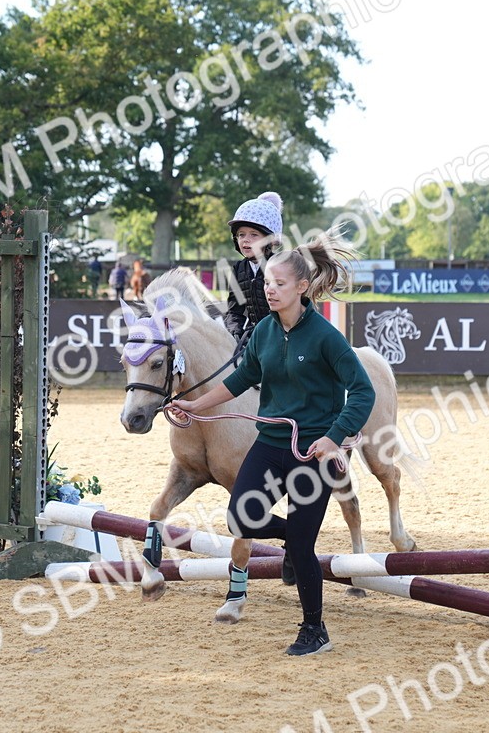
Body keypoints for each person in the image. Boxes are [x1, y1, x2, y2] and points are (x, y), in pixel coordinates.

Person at [168, 234, 375, 657]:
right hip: (271, 444)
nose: (270, 289)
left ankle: (315, 630)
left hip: (311, 455)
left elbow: (363, 391)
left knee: (302, 549)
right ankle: (291, 534)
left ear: (301, 286)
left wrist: (333, 438)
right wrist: (193, 405)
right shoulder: (264, 330)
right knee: (239, 519)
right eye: (266, 283)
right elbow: (240, 380)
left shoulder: (324, 336)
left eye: (279, 283)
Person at [223, 191, 284, 346]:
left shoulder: (282, 265)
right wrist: (235, 330)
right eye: (241, 235)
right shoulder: (238, 269)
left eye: (254, 234)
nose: (246, 240)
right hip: (254, 336)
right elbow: (234, 311)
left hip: (283, 337)